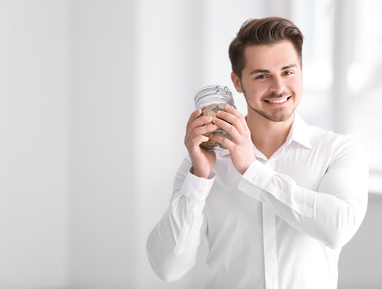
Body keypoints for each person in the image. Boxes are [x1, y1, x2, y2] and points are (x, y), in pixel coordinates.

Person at [146, 16, 368, 289]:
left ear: (301, 71)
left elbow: (338, 228)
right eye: (262, 75)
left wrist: (252, 171)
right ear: (237, 82)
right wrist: (199, 178)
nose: (278, 87)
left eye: (288, 72)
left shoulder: (337, 151)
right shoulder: (202, 166)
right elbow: (168, 268)